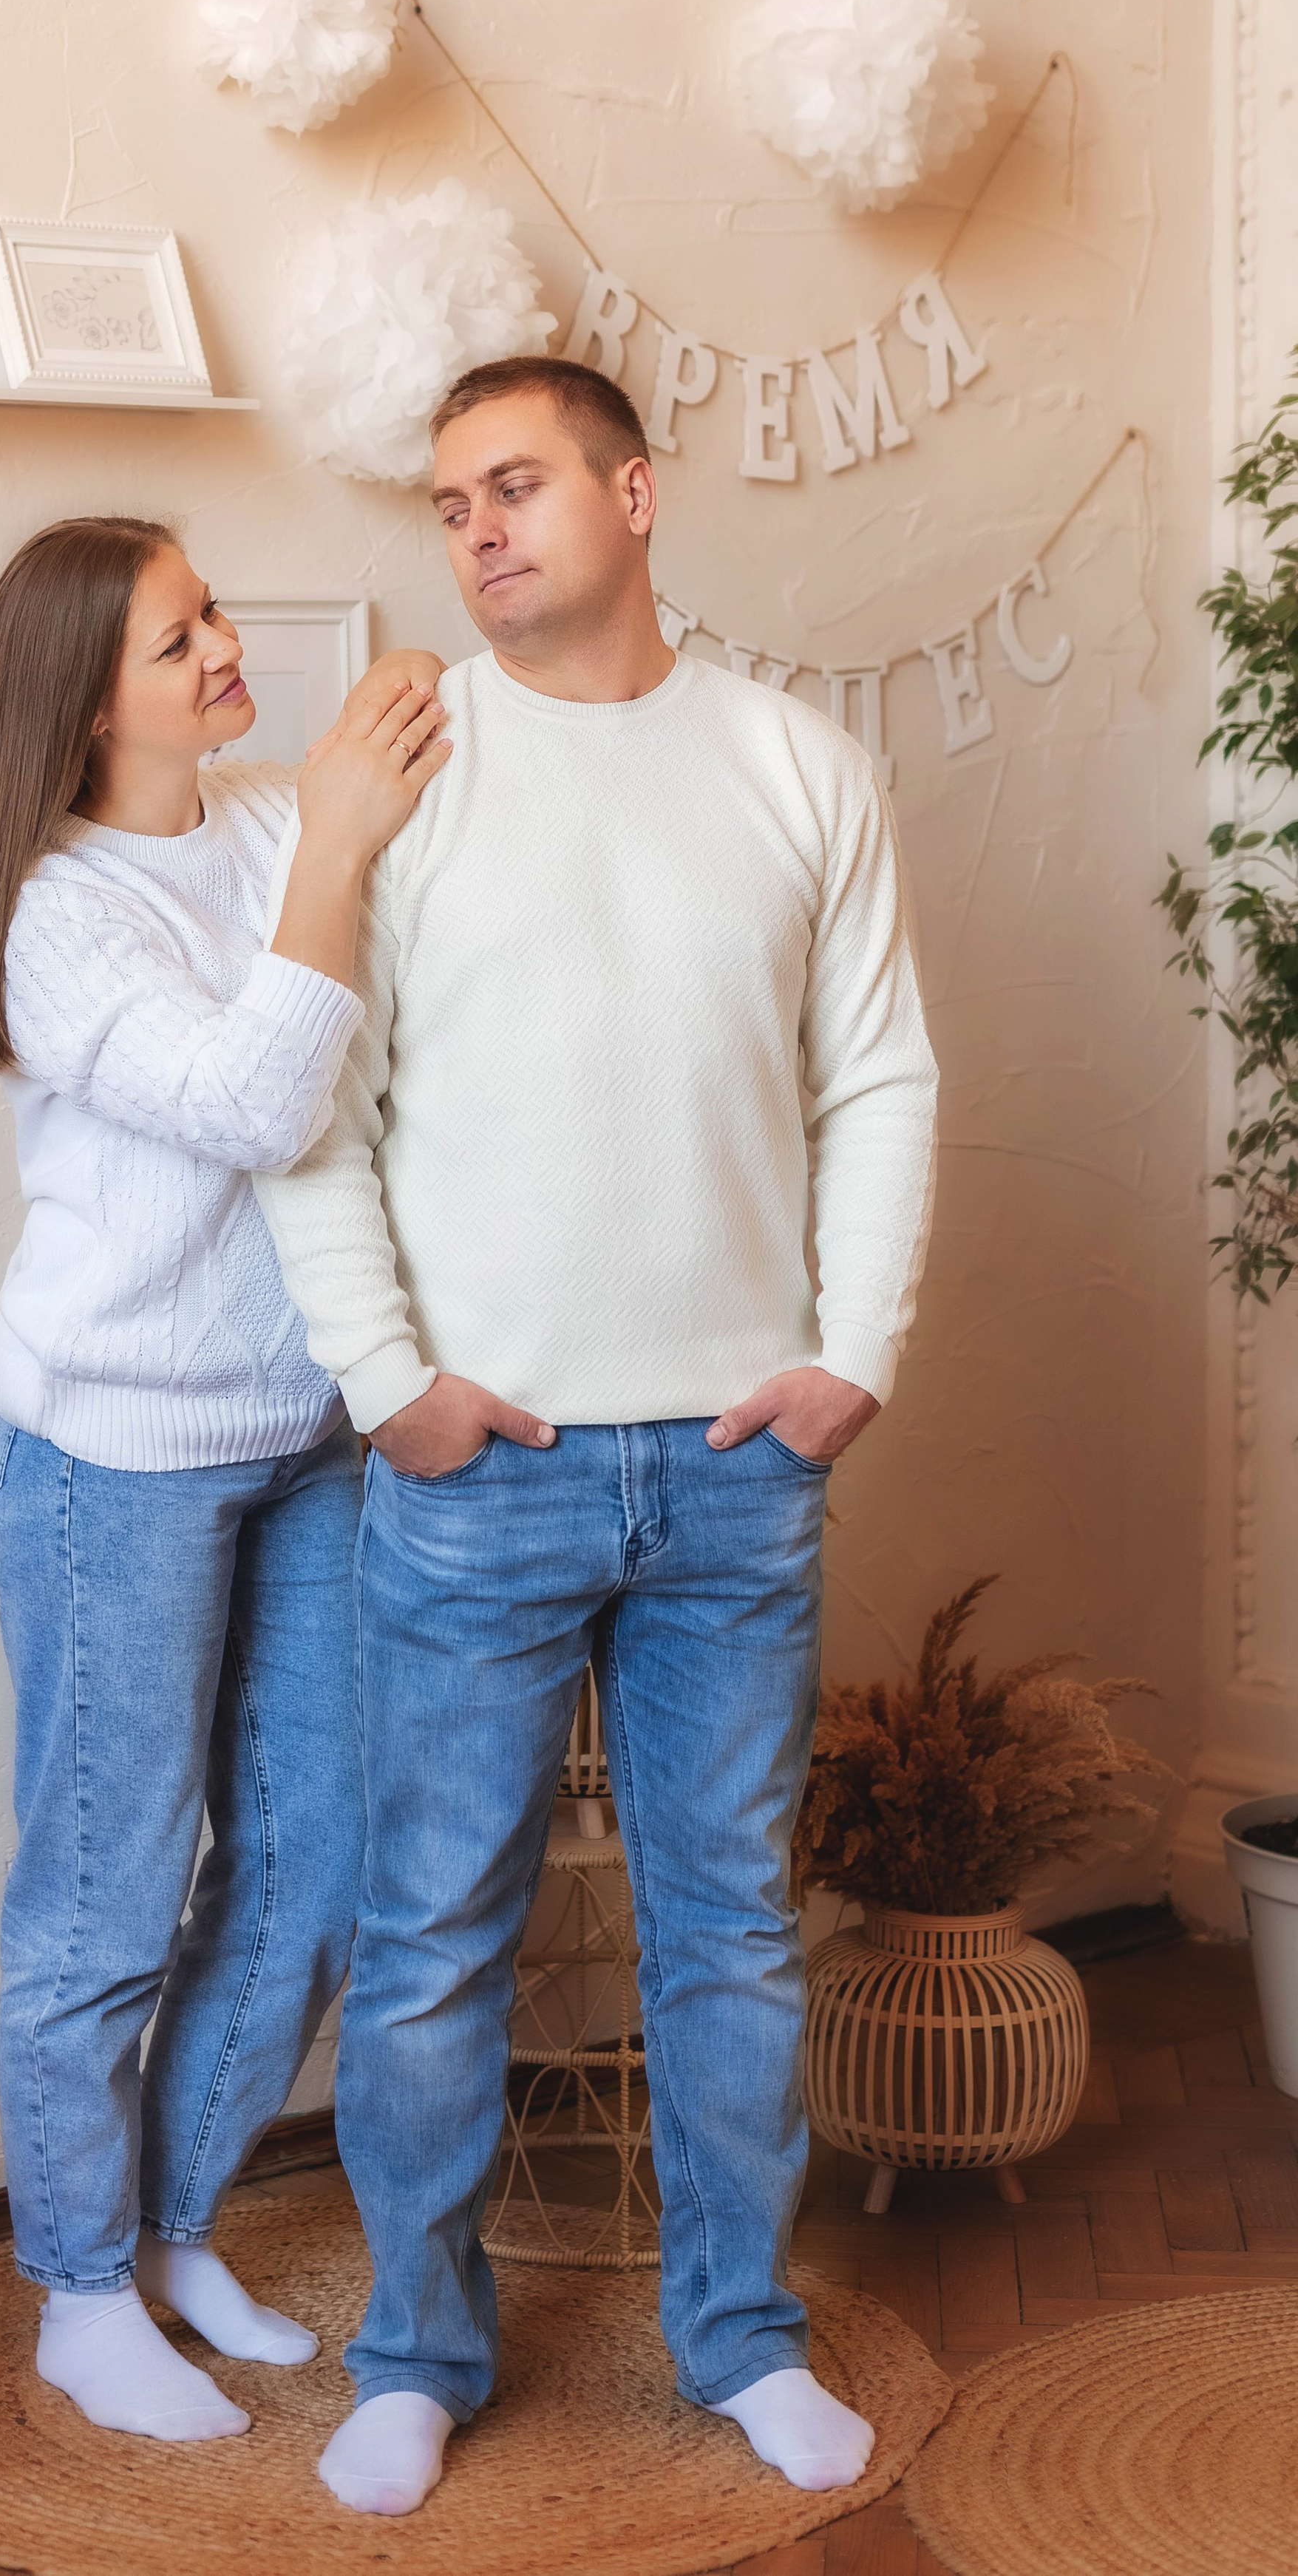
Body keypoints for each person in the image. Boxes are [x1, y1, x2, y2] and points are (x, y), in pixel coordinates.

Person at [252, 358, 939, 2516]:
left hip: (742, 1462)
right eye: (450, 499)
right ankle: (417, 2352)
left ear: (636, 493)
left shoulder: (795, 764)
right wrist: (391, 1390)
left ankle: (741, 2333)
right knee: (436, 1928)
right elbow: (308, 1118)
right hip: (484, 1471)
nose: (476, 527)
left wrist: (856, 1351)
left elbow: (884, 1079)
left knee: (728, 1927)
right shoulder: (393, 778)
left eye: (518, 482)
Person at [0, 514, 449, 2445]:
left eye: (212, 607)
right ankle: (79, 2288)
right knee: (107, 1896)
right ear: (87, 701)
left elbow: (368, 1057)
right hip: (111, 1457)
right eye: (180, 636)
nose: (228, 645)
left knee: (316, 1861)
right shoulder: (57, 914)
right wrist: (333, 840)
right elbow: (255, 1101)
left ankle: (166, 2227)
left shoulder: (252, 825)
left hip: (302, 1429)